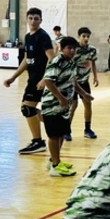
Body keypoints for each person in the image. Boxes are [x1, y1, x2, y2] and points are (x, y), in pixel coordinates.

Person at [4, 8, 55, 155]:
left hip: (40, 79)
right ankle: (57, 125)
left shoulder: (42, 36)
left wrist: (45, 79)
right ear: (26, 19)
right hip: (32, 78)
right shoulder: (28, 37)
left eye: (36, 18)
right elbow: (27, 59)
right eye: (31, 18)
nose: (33, 21)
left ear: (41, 20)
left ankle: (38, 141)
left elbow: (52, 59)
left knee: (27, 109)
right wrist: (13, 77)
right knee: (28, 109)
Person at [40, 36, 91, 177]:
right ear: (62, 49)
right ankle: (55, 166)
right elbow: (48, 81)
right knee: (54, 135)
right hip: (52, 105)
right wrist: (61, 98)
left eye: (74, 48)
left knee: (62, 133)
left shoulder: (71, 63)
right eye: (69, 48)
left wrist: (84, 93)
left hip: (63, 105)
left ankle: (54, 160)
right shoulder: (57, 61)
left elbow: (73, 81)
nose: (72, 50)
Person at [70, 27, 99, 141]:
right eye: (84, 36)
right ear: (79, 37)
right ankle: (67, 130)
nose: (86, 38)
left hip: (84, 81)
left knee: (88, 104)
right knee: (73, 106)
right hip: (72, 82)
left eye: (88, 36)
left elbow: (93, 63)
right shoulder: (73, 49)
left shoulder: (92, 50)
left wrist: (95, 76)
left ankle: (87, 129)